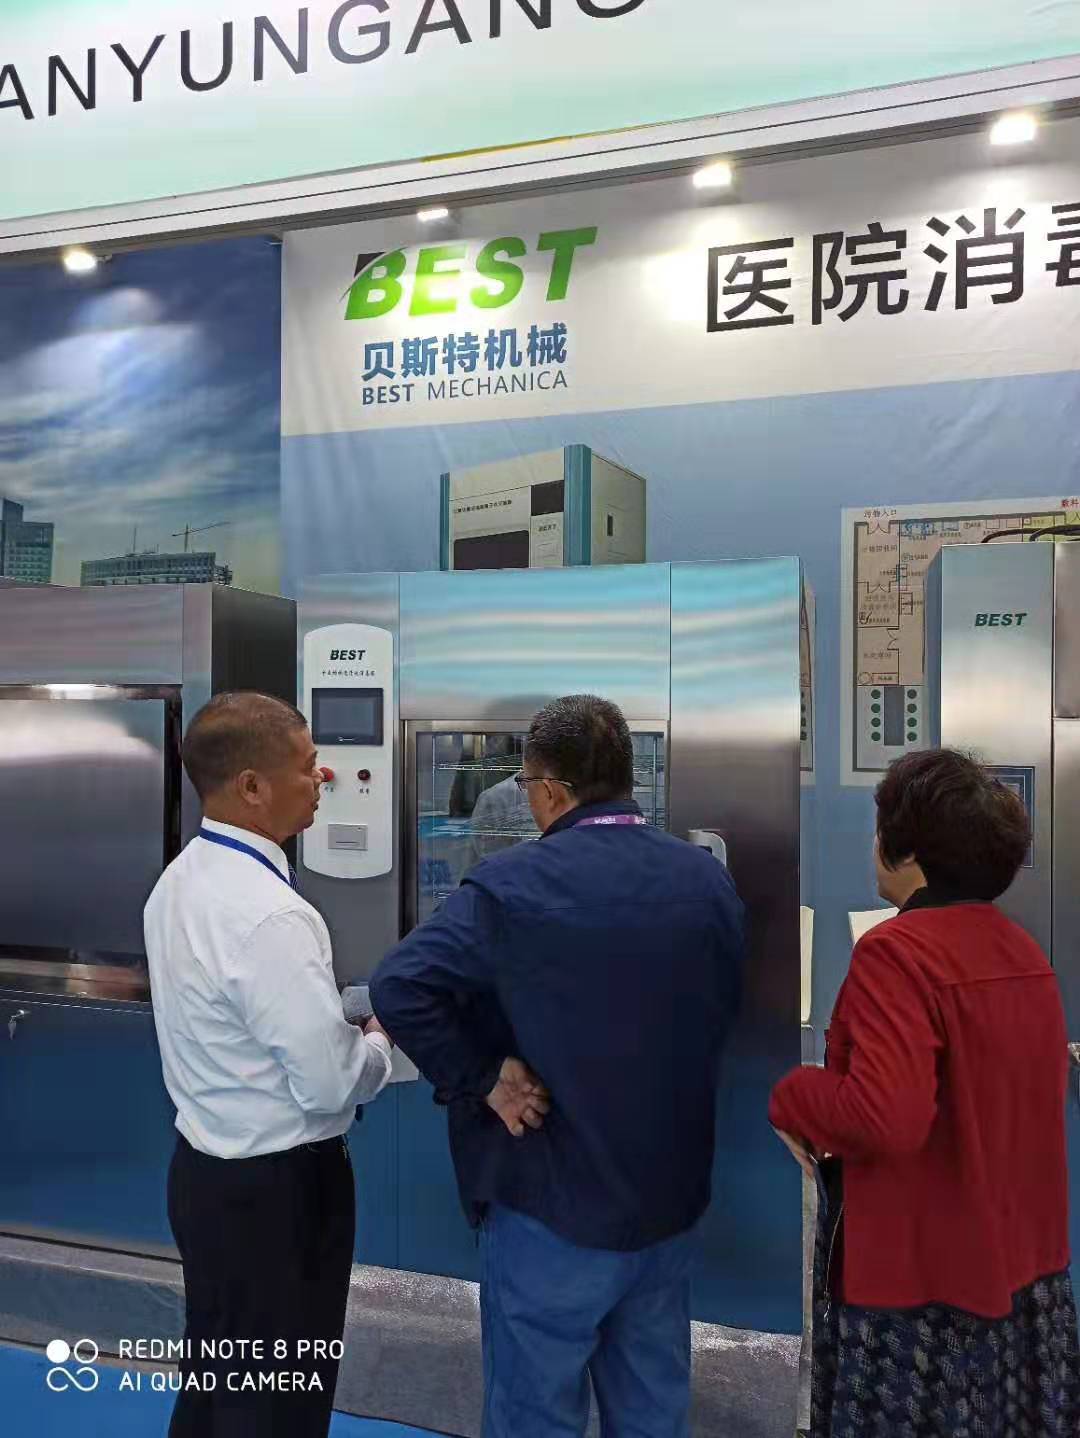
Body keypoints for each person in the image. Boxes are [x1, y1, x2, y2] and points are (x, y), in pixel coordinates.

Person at [371, 694, 744, 1438]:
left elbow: (399, 986)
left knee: (535, 1413)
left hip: (550, 1206)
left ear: (545, 790)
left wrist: (484, 1076)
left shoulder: (511, 887)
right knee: (652, 1410)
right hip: (666, 1204)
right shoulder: (706, 881)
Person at [770, 748, 1080, 1438]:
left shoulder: (896, 953)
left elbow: (883, 1118)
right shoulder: (1022, 952)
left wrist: (794, 1095)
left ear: (906, 850)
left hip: (920, 1298)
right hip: (1025, 1283)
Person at [144, 692, 394, 1438]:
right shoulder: (273, 914)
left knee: (217, 1376)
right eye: (308, 766)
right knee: (280, 1400)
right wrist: (378, 1046)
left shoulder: (178, 882)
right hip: (280, 1195)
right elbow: (328, 1082)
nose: (323, 779)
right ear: (252, 786)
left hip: (204, 1174)